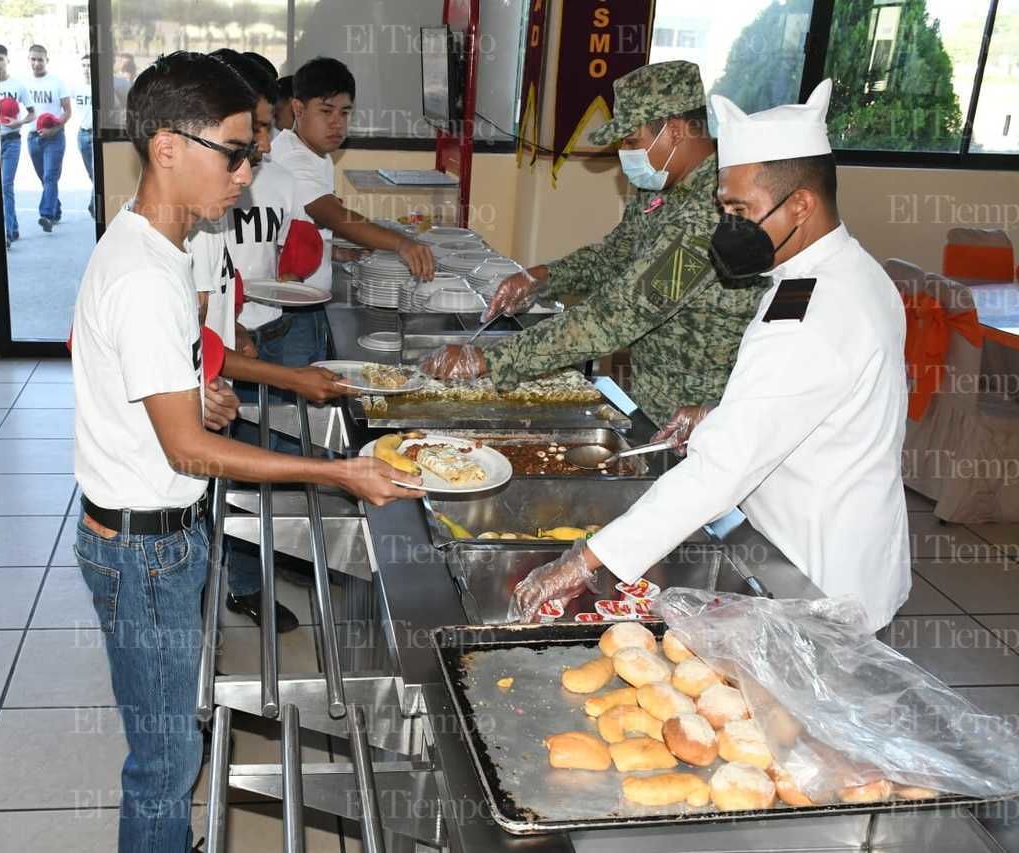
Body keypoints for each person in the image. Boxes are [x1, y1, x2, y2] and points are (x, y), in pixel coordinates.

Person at [70, 51, 421, 852]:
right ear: (168, 148)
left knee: (170, 742)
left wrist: (203, 391)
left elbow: (164, 400)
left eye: (254, 156)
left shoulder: (154, 251)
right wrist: (337, 471)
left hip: (153, 534)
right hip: (139, 547)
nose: (247, 173)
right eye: (236, 153)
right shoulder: (144, 278)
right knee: (164, 761)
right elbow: (191, 451)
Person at [508, 80, 911, 635]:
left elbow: (722, 470)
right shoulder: (838, 273)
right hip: (818, 549)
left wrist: (586, 559)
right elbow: (803, 405)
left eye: (741, 209)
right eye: (725, 208)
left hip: (819, 578)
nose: (728, 227)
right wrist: (717, 415)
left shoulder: (815, 310)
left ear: (800, 203)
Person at [421, 62, 769, 427]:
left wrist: (489, 359)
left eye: (633, 142)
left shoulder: (715, 211)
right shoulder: (660, 188)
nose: (626, 155)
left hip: (703, 421)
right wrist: (542, 276)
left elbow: (621, 313)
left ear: (677, 131)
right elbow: (613, 256)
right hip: (651, 404)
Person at [193, 49, 338, 632]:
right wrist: (225, 345)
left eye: (266, 126)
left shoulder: (264, 178)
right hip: (223, 355)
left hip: (261, 335)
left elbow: (281, 252)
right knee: (228, 474)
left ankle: (264, 559)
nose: (265, 141)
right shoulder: (199, 205)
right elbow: (202, 296)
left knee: (262, 463)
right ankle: (237, 582)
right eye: (254, 128)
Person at [269, 56, 436, 366]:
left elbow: (296, 226)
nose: (337, 123)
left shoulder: (317, 155)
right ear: (298, 109)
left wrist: (336, 253)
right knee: (296, 399)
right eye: (326, 111)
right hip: (291, 311)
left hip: (305, 300)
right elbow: (330, 214)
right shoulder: (294, 157)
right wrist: (401, 242)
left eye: (345, 113)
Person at [26, 43, 72, 232]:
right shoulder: (24, 83)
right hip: (33, 137)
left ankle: (46, 215)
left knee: (50, 176)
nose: (37, 63)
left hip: (54, 137)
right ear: (29, 60)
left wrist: (53, 130)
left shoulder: (57, 82)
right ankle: (56, 208)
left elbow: (67, 112)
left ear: (47, 60)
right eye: (33, 59)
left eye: (40, 60)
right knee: (44, 179)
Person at [0, 44, 35, 246]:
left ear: (7, 61)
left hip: (11, 141)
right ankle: (14, 226)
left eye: (0, 58)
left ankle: (7, 231)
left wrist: (18, 123)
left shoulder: (17, 86)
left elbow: (32, 113)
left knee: (5, 185)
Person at [75, 53, 96, 218]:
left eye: (89, 66)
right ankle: (95, 200)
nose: (87, 69)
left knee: (96, 173)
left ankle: (93, 205)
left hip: (96, 135)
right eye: (84, 66)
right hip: (82, 134)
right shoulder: (76, 88)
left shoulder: (101, 88)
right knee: (91, 174)